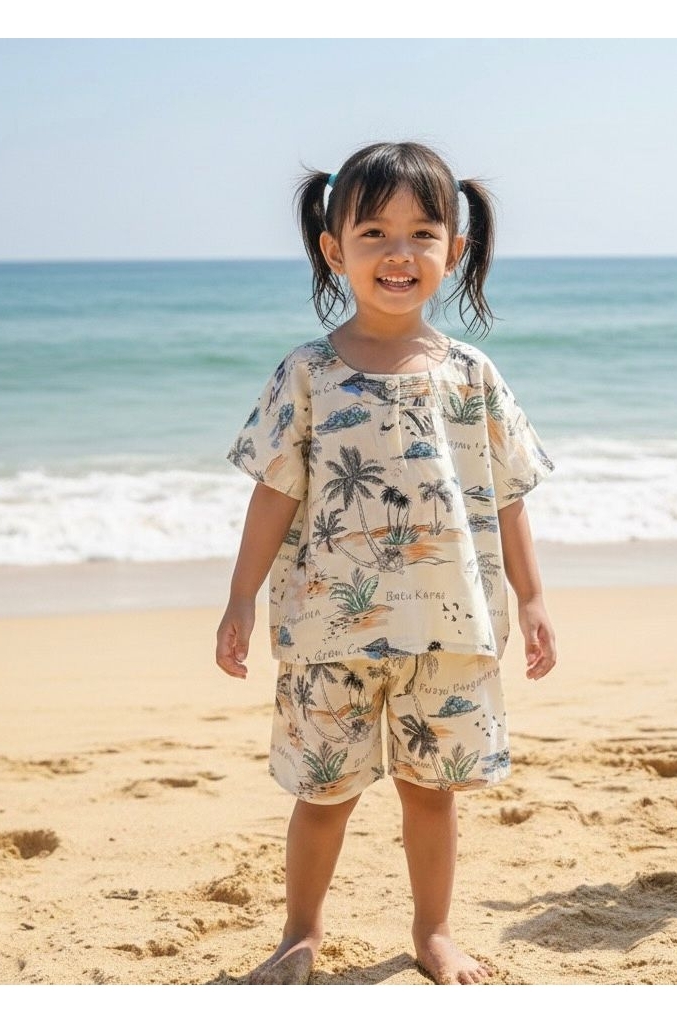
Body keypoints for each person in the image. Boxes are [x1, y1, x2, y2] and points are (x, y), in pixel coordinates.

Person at [215, 141, 557, 985]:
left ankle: (434, 931)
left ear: (455, 250)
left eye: (422, 233)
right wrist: (238, 598)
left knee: (431, 794)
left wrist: (536, 597)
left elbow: (506, 493)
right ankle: (301, 932)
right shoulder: (308, 372)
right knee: (323, 793)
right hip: (327, 628)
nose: (398, 252)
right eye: (373, 232)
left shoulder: (472, 375)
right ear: (335, 250)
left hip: (451, 627)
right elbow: (275, 494)